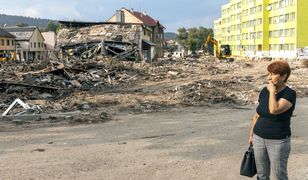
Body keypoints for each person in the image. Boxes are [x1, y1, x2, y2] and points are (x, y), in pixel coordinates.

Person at [248, 60, 296, 180]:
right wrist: (251, 135)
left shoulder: (289, 94)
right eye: (268, 74)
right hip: (259, 138)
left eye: (273, 74)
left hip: (278, 141)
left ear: (284, 76)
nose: (269, 77)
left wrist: (272, 92)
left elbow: (274, 110)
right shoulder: (264, 91)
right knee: (262, 174)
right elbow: (257, 115)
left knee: (280, 175)